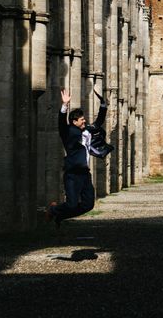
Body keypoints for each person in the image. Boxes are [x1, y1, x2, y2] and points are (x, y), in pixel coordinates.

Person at [46, 88, 108, 227]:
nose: (84, 120)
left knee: (88, 205)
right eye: (81, 119)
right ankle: (53, 209)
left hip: (85, 174)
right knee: (72, 204)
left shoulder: (87, 131)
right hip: (72, 174)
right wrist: (64, 105)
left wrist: (103, 105)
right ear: (74, 121)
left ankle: (59, 215)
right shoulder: (68, 132)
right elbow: (61, 122)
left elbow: (99, 121)